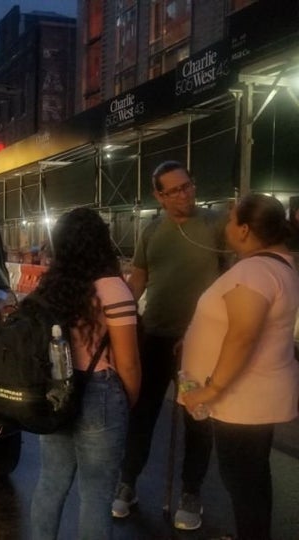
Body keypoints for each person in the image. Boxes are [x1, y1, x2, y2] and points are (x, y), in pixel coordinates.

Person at [112, 160, 226, 530]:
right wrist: (120, 319)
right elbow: (139, 281)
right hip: (157, 339)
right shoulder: (151, 231)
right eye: (174, 190)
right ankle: (128, 482)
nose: (185, 194)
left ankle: (191, 493)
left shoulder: (216, 224)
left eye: (188, 185)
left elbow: (231, 280)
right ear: (158, 196)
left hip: (199, 346)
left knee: (198, 417)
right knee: (142, 413)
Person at [180, 193, 299, 540]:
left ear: (245, 229)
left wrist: (212, 388)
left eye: (231, 220)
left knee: (242, 480)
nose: (226, 225)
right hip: (251, 399)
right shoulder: (275, 265)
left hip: (241, 401)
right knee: (252, 478)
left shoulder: (255, 271)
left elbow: (243, 335)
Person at [30, 207, 141, 540]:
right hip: (101, 394)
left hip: (55, 392)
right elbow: (129, 362)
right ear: (101, 241)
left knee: (51, 483)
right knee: (95, 495)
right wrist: (128, 401)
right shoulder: (113, 289)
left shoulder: (49, 286)